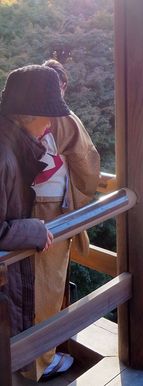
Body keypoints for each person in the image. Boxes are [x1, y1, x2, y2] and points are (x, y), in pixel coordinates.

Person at [22, 59, 100, 381]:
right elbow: (86, 160)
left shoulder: (17, 114)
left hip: (20, 206)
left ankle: (25, 353)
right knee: (48, 285)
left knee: (24, 283)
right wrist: (84, 195)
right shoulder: (63, 118)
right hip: (50, 208)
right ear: (60, 87)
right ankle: (40, 360)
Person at [0, 65, 63, 379]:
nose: (51, 124)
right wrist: (35, 229)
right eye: (47, 115)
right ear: (28, 113)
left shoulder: (10, 144)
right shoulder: (4, 154)